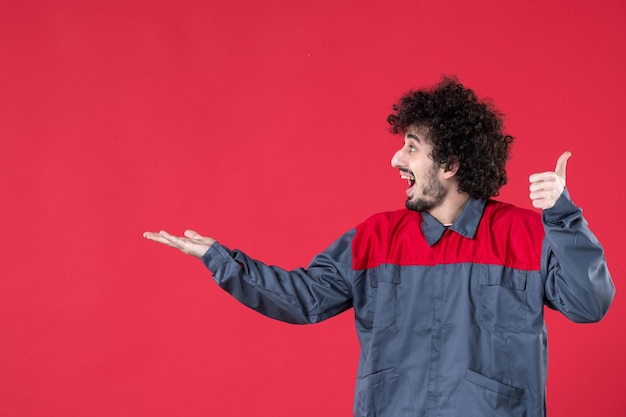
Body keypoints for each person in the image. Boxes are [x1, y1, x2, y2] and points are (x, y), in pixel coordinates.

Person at [143, 77, 614, 417]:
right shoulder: (374, 238)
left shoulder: (526, 234)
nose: (395, 158)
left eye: (411, 147)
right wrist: (219, 259)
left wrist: (564, 218)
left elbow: (589, 305)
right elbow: (303, 298)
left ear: (449, 163)